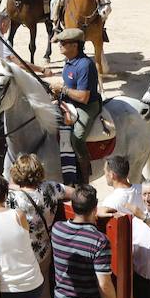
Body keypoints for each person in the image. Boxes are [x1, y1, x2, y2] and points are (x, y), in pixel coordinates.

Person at [52, 28, 101, 187]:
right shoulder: (68, 63)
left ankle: (84, 177)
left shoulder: (85, 65)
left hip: (88, 106)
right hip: (70, 102)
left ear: (75, 45)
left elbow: (83, 97)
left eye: (63, 43)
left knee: (77, 137)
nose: (60, 45)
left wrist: (63, 90)